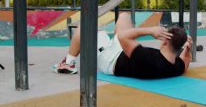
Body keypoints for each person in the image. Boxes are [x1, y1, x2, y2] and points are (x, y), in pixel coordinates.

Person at [53, 12, 192, 79]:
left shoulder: (148, 58)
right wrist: (187, 47)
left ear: (165, 41)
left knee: (85, 24)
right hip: (123, 52)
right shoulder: (176, 66)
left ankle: (68, 63)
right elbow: (186, 62)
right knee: (124, 16)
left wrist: (150, 30)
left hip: (109, 59)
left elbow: (122, 37)